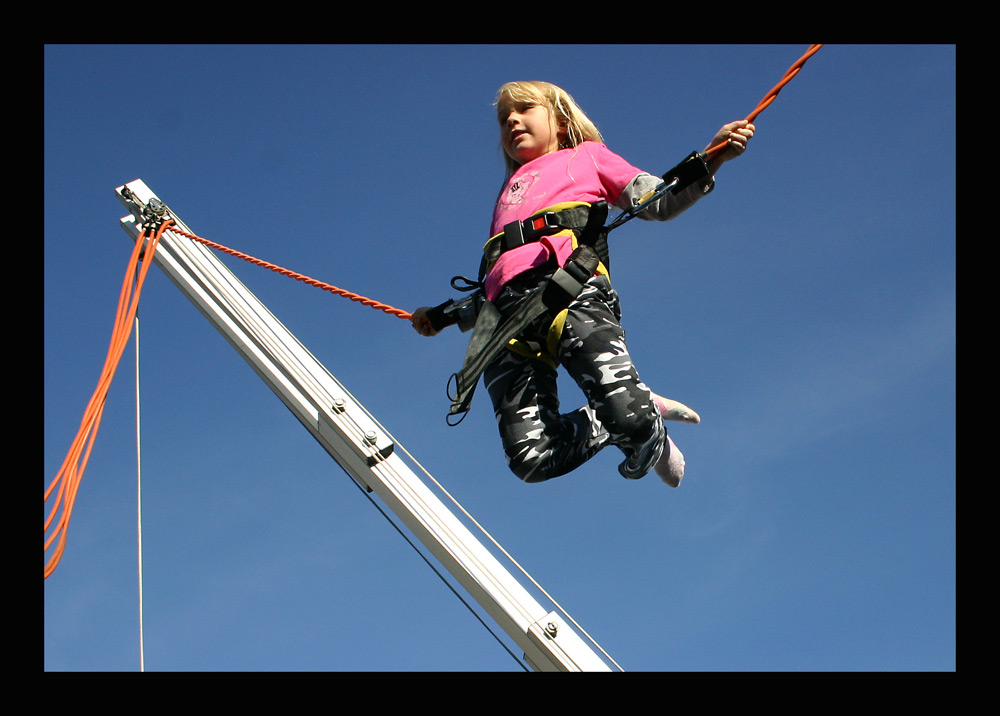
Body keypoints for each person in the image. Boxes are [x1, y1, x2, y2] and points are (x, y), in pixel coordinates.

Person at [411, 81, 753, 487]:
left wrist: (712, 159)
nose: (512, 121)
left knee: (630, 417)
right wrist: (444, 316)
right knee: (531, 458)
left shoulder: (585, 157)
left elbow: (658, 200)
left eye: (524, 109)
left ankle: (637, 416)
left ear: (559, 120)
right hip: (503, 321)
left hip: (570, 291)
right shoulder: (509, 191)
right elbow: (502, 274)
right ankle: (613, 418)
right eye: (505, 119)